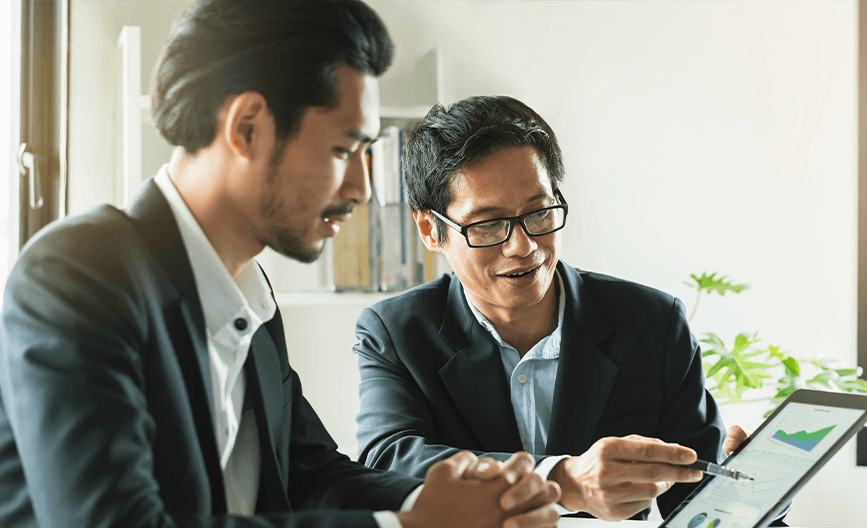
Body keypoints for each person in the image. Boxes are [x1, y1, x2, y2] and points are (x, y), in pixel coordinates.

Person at [0, 3, 561, 528]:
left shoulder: (249, 293)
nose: (361, 188)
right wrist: (404, 525)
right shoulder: (79, 274)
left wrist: (453, 503)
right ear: (247, 128)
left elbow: (307, 470)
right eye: (344, 150)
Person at [353, 95, 769, 522]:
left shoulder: (653, 324)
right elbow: (390, 460)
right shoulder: (396, 332)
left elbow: (701, 504)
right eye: (489, 224)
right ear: (430, 230)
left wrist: (761, 484)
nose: (524, 246)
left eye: (538, 212)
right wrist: (563, 480)